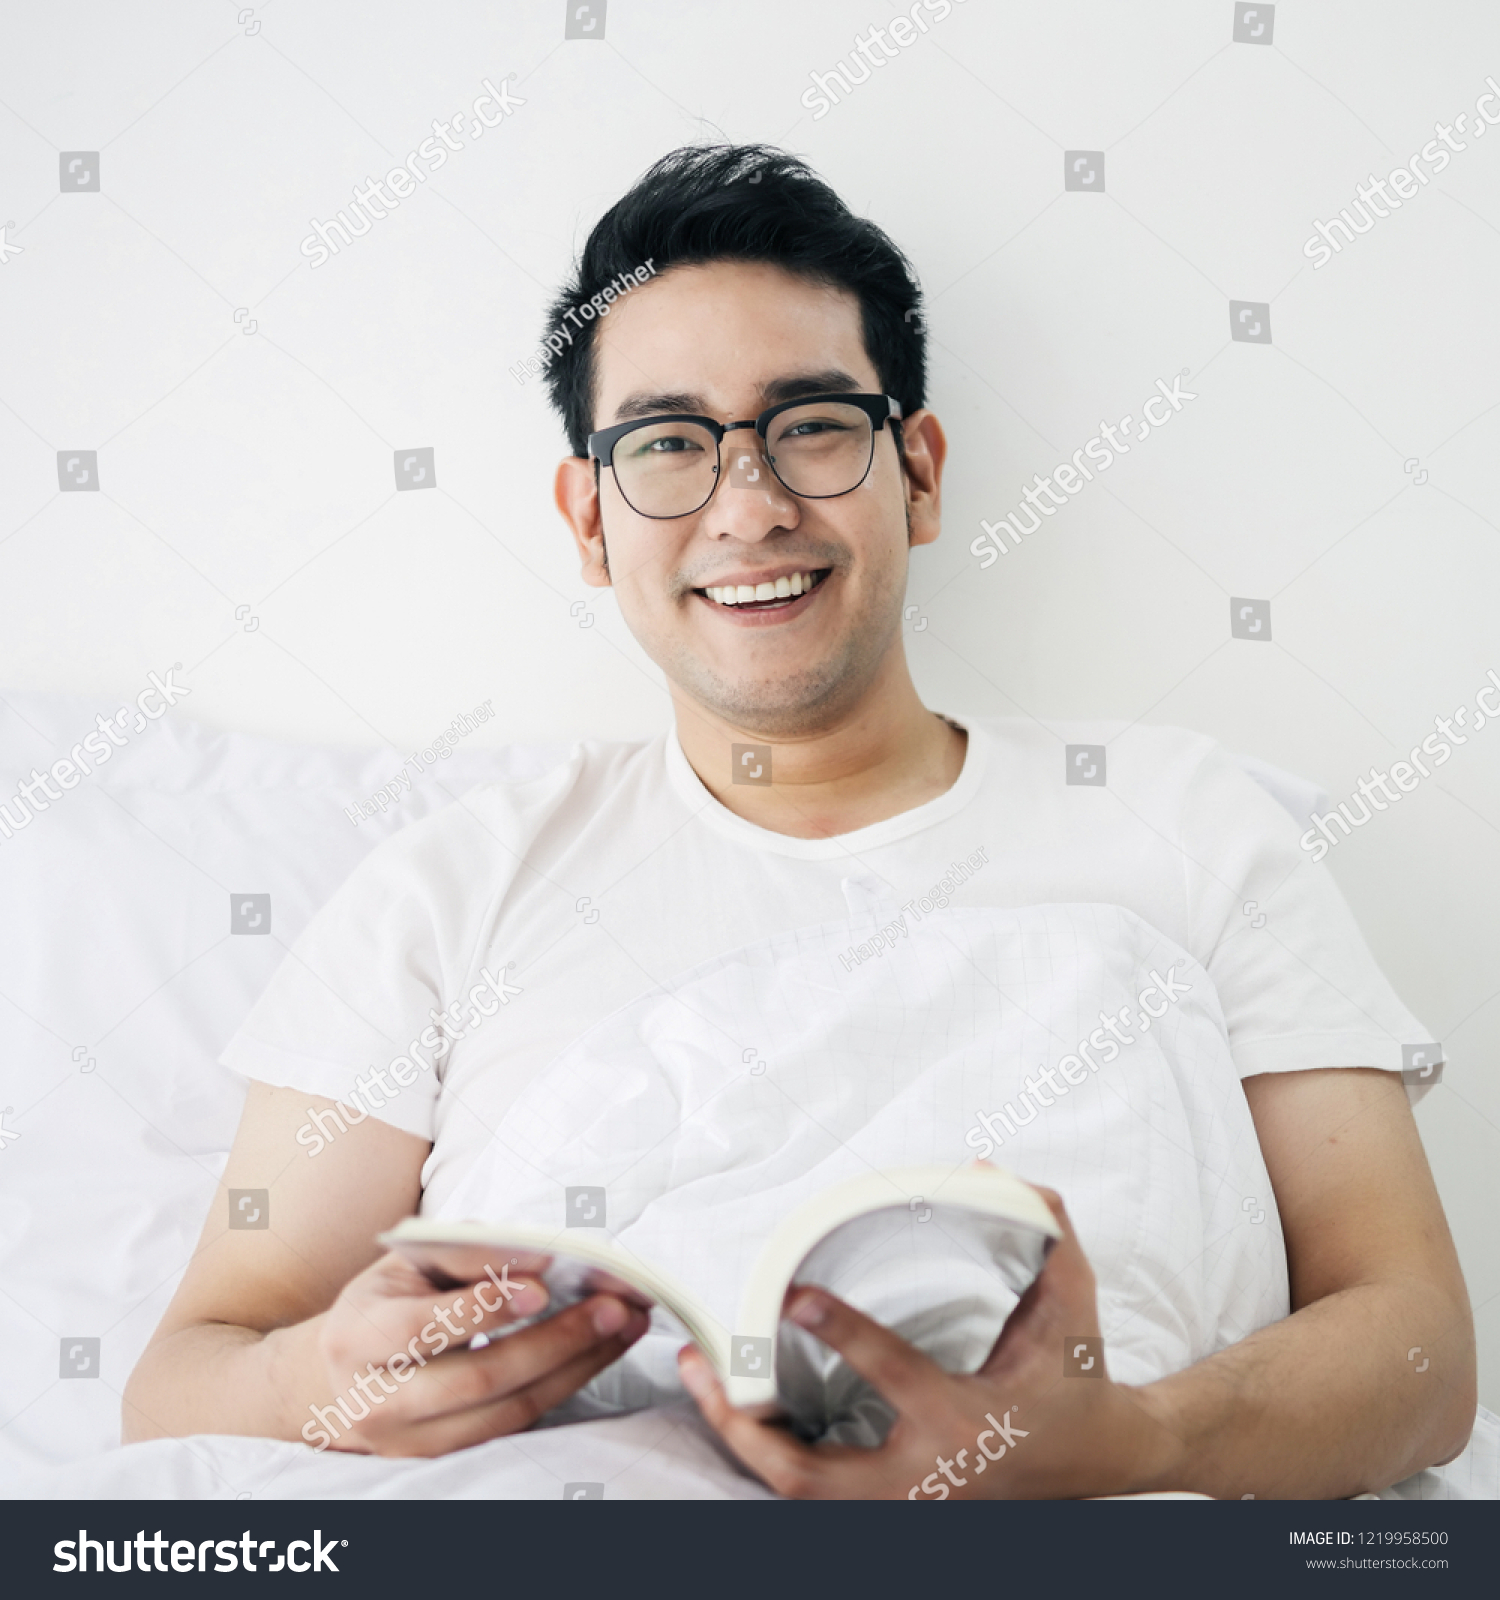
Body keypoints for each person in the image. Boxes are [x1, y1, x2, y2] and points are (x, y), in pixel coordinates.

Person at [123, 144, 1476, 1498]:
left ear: (920, 474)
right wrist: (331, 1382)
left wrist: (1130, 1444)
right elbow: (181, 1385)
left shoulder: (1187, 821)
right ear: (591, 522)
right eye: (667, 445)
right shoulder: (449, 893)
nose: (751, 505)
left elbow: (1421, 1354)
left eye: (813, 424)